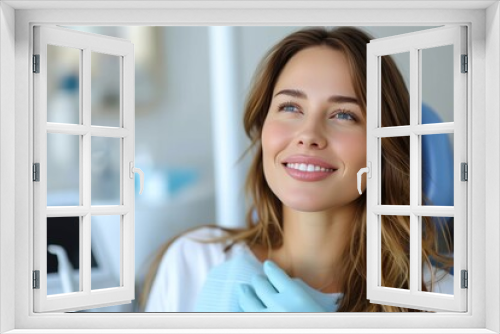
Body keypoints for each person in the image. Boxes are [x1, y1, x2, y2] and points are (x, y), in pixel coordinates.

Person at [141, 26, 454, 313]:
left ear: (384, 144)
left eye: (344, 115)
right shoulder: (195, 262)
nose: (309, 134)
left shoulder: (436, 298)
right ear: (263, 128)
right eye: (290, 107)